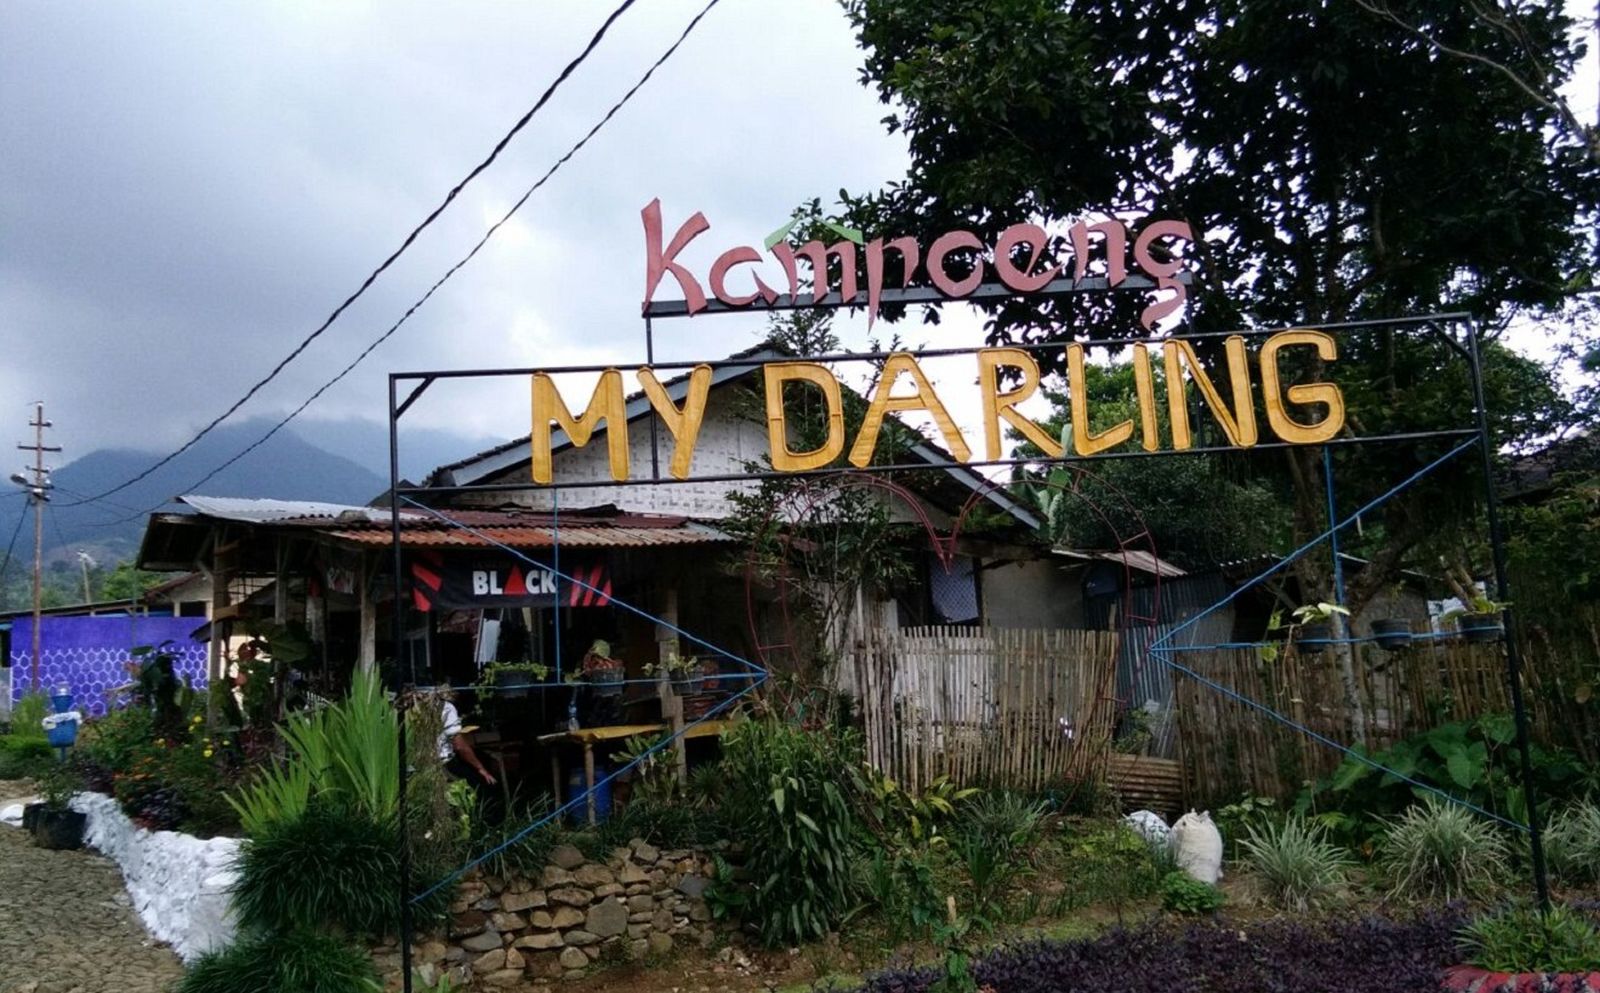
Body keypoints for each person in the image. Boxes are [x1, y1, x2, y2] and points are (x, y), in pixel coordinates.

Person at [437, 684, 496, 787]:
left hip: (422, 762)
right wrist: (481, 768)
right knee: (475, 783)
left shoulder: (417, 706)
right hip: (444, 763)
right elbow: (460, 747)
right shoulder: (446, 707)